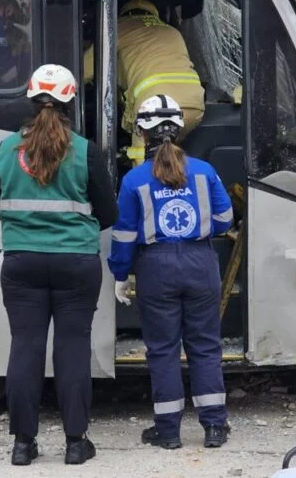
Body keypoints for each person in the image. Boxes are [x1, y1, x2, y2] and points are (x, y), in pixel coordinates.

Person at [0, 63, 117, 466]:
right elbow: (109, 212)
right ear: (71, 103)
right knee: (72, 348)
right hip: (76, 263)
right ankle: (76, 444)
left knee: (25, 347)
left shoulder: (7, 149)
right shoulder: (84, 150)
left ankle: (23, 446)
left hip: (21, 262)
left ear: (29, 100)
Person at [107, 94, 233, 450]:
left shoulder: (134, 181)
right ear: (179, 130)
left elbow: (125, 235)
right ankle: (214, 428)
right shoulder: (205, 172)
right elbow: (224, 219)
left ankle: (168, 432)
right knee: (206, 346)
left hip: (156, 267)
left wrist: (120, 273)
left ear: (142, 133)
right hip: (200, 263)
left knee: (162, 349)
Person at [83, 0, 205, 166]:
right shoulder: (171, 31)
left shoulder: (118, 28)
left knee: (145, 161)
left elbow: (85, 70)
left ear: (124, 14)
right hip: (193, 106)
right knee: (171, 156)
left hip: (153, 106)